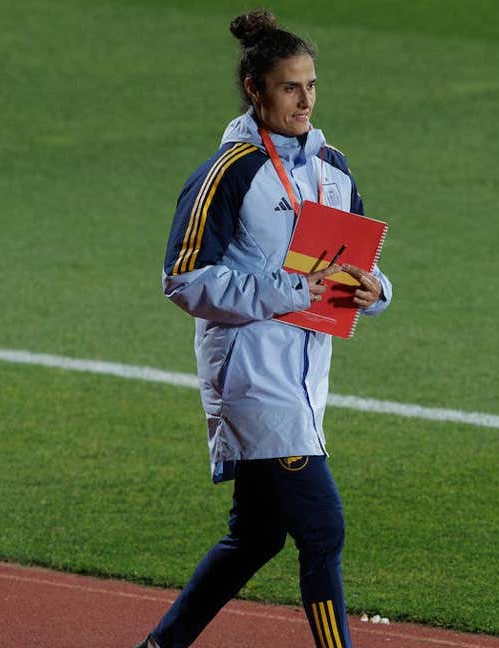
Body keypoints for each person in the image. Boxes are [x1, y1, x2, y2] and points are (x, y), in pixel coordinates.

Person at [137, 9, 391, 648]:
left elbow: (359, 265)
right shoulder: (231, 172)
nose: (305, 100)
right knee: (322, 531)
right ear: (256, 90)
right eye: (289, 87)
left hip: (307, 376)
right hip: (251, 375)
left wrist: (375, 290)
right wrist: (287, 290)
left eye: (311, 85)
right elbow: (184, 278)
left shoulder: (333, 168)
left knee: (254, 537)